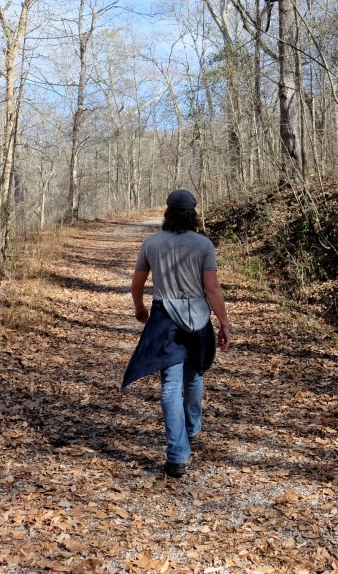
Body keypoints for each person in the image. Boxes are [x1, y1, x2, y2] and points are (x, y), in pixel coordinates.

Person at [121, 189, 231, 478]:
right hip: (197, 320)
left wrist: (139, 307)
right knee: (193, 376)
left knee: (170, 385)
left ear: (167, 213)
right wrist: (224, 323)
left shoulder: (152, 243)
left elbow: (136, 284)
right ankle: (191, 429)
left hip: (164, 319)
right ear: (193, 214)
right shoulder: (203, 244)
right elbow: (211, 289)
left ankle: (177, 456)